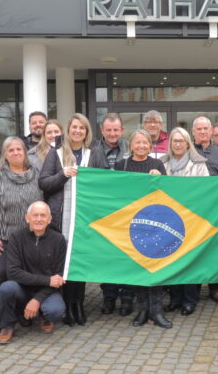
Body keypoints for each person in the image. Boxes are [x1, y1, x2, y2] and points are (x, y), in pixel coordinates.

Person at [39, 113, 107, 326]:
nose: (77, 131)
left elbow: (104, 182)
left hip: (84, 218)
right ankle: (68, 305)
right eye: (74, 127)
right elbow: (44, 183)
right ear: (68, 130)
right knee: (64, 264)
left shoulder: (93, 153)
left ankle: (79, 304)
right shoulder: (55, 153)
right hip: (61, 218)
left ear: (86, 132)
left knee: (80, 261)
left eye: (82, 128)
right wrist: (63, 175)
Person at [0, 137, 44, 339]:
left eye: (19, 149)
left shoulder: (37, 175)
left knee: (28, 276)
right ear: (5, 154)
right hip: (5, 239)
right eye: (10, 150)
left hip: (32, 239)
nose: (15, 153)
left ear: (25, 152)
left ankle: (20, 313)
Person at [115, 129, 172, 329]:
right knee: (138, 267)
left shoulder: (157, 164)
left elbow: (166, 195)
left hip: (154, 223)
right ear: (130, 145)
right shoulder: (121, 165)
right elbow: (117, 194)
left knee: (155, 266)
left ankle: (156, 310)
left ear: (150, 145)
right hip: (132, 224)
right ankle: (142, 309)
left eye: (144, 142)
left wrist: (160, 179)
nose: (140, 146)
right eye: (137, 142)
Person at [0, 201, 67, 344]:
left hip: (48, 291)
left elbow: (58, 277)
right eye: (35, 215)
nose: (39, 219)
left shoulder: (59, 240)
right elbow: (13, 272)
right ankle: (7, 325)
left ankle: (44, 315)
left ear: (49, 219)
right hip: (22, 288)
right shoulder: (16, 237)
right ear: (27, 218)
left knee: (56, 311)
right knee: (6, 288)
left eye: (43, 216)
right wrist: (47, 280)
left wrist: (37, 300)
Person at [160, 128, 210, 316]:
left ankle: (190, 300)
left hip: (191, 219)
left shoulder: (199, 163)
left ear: (188, 143)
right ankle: (175, 298)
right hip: (169, 218)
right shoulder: (163, 163)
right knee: (171, 259)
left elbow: (205, 190)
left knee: (188, 261)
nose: (178, 144)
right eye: (175, 141)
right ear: (170, 143)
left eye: (181, 141)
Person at [95, 113, 134, 316]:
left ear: (121, 131)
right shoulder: (93, 150)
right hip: (103, 211)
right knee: (108, 256)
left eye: (116, 130)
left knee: (127, 255)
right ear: (102, 130)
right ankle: (109, 297)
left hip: (127, 210)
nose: (112, 133)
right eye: (108, 130)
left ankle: (127, 298)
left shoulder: (130, 147)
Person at [191, 115, 218, 303]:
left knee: (215, 248)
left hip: (215, 208)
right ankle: (194, 286)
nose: (203, 132)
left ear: (211, 130)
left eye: (206, 128)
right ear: (193, 132)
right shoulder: (187, 151)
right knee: (195, 247)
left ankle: (215, 287)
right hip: (193, 208)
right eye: (199, 129)